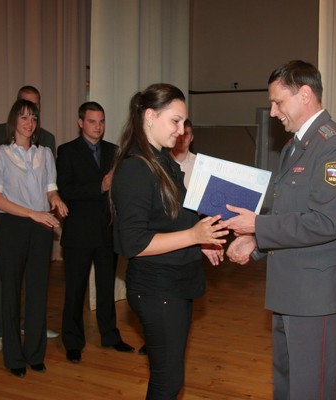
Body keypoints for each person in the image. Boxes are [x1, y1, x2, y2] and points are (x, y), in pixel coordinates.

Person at [224, 60, 336, 399]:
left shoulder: (335, 146)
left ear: (305, 94)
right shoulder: (293, 146)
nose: (273, 112)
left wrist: (257, 225)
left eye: (278, 102)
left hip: (315, 294)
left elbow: (326, 222)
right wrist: (255, 241)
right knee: (287, 383)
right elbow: (288, 215)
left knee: (310, 389)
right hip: (289, 288)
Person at [110, 83, 228, 399]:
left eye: (184, 122)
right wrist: (193, 235)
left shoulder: (162, 161)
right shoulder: (136, 168)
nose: (181, 129)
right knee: (167, 381)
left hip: (175, 282)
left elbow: (176, 216)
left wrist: (200, 241)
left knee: (171, 378)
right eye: (175, 121)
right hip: (156, 287)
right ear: (150, 116)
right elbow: (133, 242)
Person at [0, 99, 69, 378]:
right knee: (10, 292)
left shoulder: (44, 153)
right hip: (12, 226)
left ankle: (35, 354)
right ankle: (13, 357)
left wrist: (56, 200)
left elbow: (50, 189)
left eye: (33, 118)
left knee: (37, 291)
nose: (29, 123)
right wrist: (33, 213)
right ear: (14, 120)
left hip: (41, 227)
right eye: (23, 117)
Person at [56, 101, 134, 364]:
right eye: (92, 121)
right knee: (75, 291)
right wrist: (100, 186)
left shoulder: (114, 151)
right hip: (78, 233)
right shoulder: (67, 151)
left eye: (101, 121)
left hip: (106, 232)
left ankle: (110, 335)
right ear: (81, 123)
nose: (98, 127)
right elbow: (65, 190)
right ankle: (73, 341)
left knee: (106, 288)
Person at [170, 119, 196, 188]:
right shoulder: (162, 161)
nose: (182, 138)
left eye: (186, 134)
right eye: (179, 134)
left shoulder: (198, 164)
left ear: (191, 138)